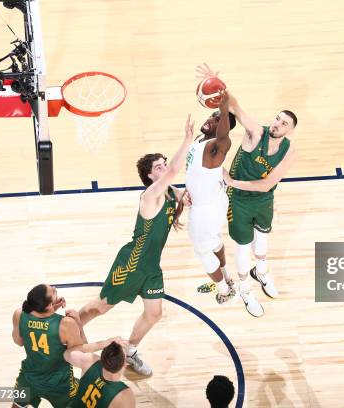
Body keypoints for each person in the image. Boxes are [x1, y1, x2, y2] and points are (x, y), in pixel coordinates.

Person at [77, 115, 194, 376]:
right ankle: (68, 328)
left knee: (154, 314)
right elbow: (176, 173)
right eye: (160, 167)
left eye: (165, 164)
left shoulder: (168, 191)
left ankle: (130, 350)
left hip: (151, 267)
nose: (165, 168)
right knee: (101, 307)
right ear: (150, 176)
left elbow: (182, 191)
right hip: (131, 264)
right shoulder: (150, 195)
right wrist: (187, 140)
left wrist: (188, 196)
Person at [197, 64, 298, 317]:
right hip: (239, 201)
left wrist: (232, 182)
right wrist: (219, 85)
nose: (277, 124)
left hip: (261, 198)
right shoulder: (257, 132)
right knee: (243, 247)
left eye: (283, 123)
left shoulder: (289, 151)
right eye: (277, 118)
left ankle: (260, 272)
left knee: (262, 241)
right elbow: (235, 108)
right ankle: (244, 288)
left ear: (290, 130)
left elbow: (267, 184)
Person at [185, 89, 237, 304]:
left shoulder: (219, 145)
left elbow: (224, 134)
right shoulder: (200, 139)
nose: (211, 119)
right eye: (212, 114)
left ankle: (224, 291)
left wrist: (224, 109)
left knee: (202, 251)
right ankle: (227, 276)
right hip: (212, 200)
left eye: (217, 119)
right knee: (214, 242)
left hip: (205, 209)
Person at [12, 284, 86, 408]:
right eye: (53, 291)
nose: (54, 288)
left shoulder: (19, 314)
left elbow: (19, 341)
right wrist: (78, 323)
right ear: (48, 305)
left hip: (30, 378)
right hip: (60, 384)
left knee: (17, 405)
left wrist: (51, 311)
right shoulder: (66, 324)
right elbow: (81, 356)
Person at [65, 339, 135, 407]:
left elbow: (67, 354)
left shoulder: (90, 361)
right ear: (125, 364)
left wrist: (103, 343)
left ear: (102, 357)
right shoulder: (124, 394)